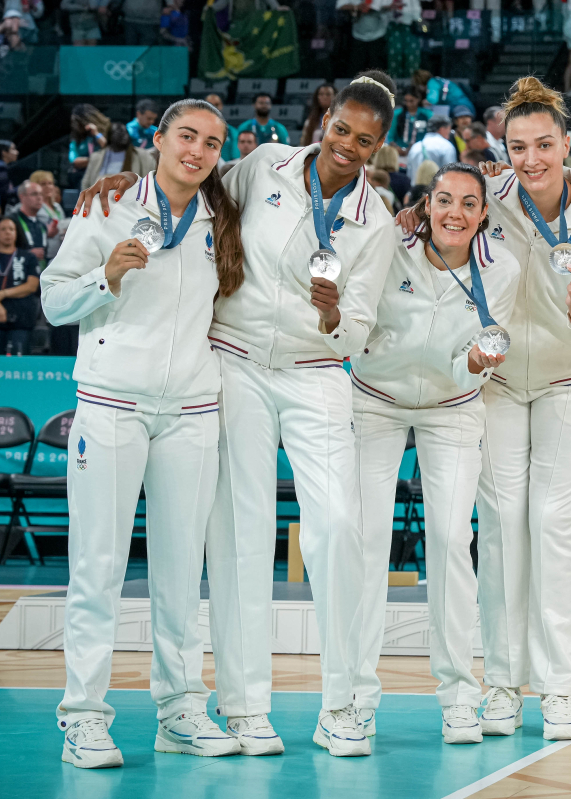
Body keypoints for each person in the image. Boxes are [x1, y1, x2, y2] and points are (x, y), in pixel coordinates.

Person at [76, 71, 401, 758]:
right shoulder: (263, 165)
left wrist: (335, 314)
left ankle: (342, 703)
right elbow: (190, 180)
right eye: (341, 128)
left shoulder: (376, 221)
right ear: (325, 117)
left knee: (340, 525)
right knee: (239, 536)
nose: (346, 144)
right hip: (238, 362)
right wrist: (125, 177)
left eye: (363, 140)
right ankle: (246, 705)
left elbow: (362, 325)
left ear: (378, 147)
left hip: (317, 373)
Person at [42, 98, 246, 769]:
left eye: (212, 143)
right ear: (158, 139)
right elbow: (52, 298)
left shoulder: (222, 218)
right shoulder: (106, 206)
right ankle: (83, 718)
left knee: (183, 571)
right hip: (110, 404)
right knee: (98, 565)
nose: (197, 150)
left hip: (190, 410)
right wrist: (106, 276)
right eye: (186, 136)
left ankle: (181, 708)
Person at [471, 77, 571, 741]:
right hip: (502, 383)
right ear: (501, 148)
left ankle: (561, 690)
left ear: (568, 143)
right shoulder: (487, 200)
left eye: (542, 145)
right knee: (503, 525)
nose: (529, 159)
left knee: (555, 526)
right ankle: (503, 685)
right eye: (516, 147)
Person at [351, 162, 520, 745]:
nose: (454, 213)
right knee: (367, 541)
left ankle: (458, 697)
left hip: (453, 406)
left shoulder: (503, 271)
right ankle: (352, 698)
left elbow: (482, 347)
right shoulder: (387, 245)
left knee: (451, 541)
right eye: (443, 200)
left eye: (468, 204)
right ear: (425, 206)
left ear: (482, 216)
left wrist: (469, 364)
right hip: (374, 400)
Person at [0, 217, 39, 354]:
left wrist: (3, 294)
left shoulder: (28, 257)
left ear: (17, 232)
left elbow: (31, 286)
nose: (7, 233)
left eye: (11, 229)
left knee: (19, 362)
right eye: (3, 229)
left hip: (21, 319)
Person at [82, 123, 158, 189]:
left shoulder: (143, 157)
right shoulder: (96, 157)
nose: (118, 151)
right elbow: (86, 183)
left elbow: (152, 182)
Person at [9, 180, 52, 266]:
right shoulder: (11, 221)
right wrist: (27, 254)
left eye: (41, 194)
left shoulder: (42, 225)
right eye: (34, 194)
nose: (39, 198)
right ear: (22, 197)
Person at [390, 87, 433, 155]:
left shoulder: (427, 114)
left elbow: (431, 135)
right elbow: (390, 136)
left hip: (421, 151)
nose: (408, 104)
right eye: (406, 101)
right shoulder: (397, 114)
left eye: (411, 101)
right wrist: (396, 147)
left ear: (418, 99)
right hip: (400, 151)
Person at [202, 93, 241, 162]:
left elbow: (235, 158)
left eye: (217, 104)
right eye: (210, 104)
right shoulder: (196, 129)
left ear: (222, 106)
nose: (214, 107)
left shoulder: (232, 132)